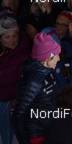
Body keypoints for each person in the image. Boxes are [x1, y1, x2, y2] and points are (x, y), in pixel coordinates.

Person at [13, 32, 61, 144]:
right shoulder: (34, 80)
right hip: (37, 135)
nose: (58, 58)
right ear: (47, 58)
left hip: (48, 130)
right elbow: (19, 114)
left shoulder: (46, 71)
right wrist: (25, 141)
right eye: (56, 55)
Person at [0, 16, 30, 144]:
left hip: (15, 98)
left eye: (14, 36)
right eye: (7, 37)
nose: (12, 40)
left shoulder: (24, 52)